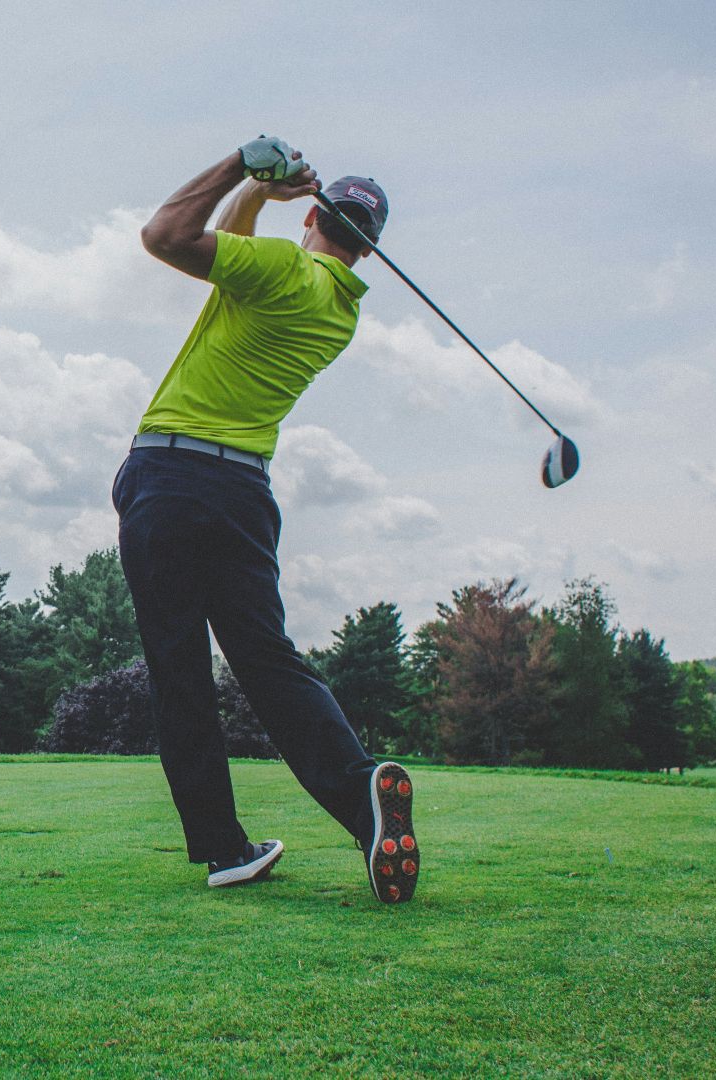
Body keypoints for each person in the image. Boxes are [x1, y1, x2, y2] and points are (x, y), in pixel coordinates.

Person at [114, 135, 418, 903]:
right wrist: (260, 195)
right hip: (244, 493)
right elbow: (237, 250)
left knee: (180, 669)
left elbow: (167, 236)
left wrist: (236, 166)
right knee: (268, 660)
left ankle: (223, 847)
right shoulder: (336, 305)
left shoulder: (283, 269)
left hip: (172, 476)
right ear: (369, 252)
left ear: (313, 215)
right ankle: (361, 802)